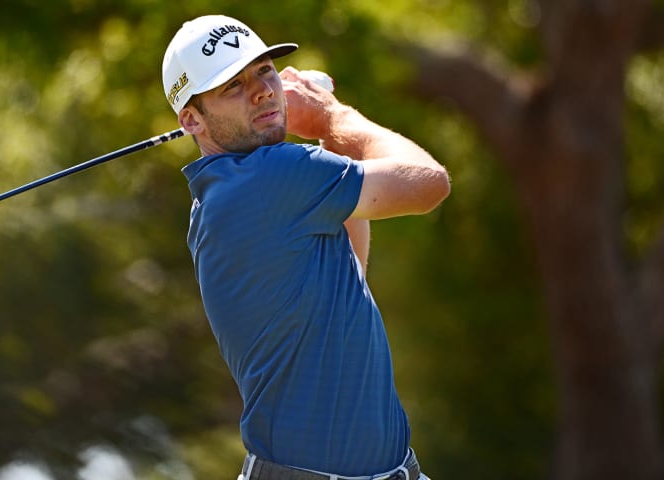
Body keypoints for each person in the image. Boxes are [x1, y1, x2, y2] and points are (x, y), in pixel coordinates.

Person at [162, 14, 449, 480]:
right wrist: (333, 115)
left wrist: (323, 129)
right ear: (192, 119)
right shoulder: (269, 176)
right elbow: (429, 183)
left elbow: (350, 271)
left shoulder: (232, 192)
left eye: (263, 71)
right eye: (232, 86)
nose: (262, 91)